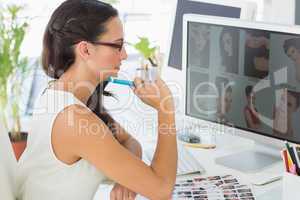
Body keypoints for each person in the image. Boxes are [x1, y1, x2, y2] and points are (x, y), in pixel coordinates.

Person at [18, 1, 177, 200]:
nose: (125, 55)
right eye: (117, 46)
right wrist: (166, 109)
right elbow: (162, 190)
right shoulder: (75, 119)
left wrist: (126, 176)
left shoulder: (59, 92)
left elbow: (128, 141)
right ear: (85, 50)